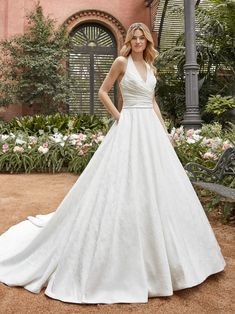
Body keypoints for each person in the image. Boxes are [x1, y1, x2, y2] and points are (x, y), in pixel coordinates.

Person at [0, 22, 226, 304]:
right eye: (135, 37)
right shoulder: (122, 62)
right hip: (129, 125)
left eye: (143, 38)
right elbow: (103, 92)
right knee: (121, 182)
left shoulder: (152, 68)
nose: (139, 41)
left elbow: (152, 101)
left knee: (159, 186)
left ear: (148, 42)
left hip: (152, 132)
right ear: (129, 41)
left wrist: (164, 131)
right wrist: (120, 118)